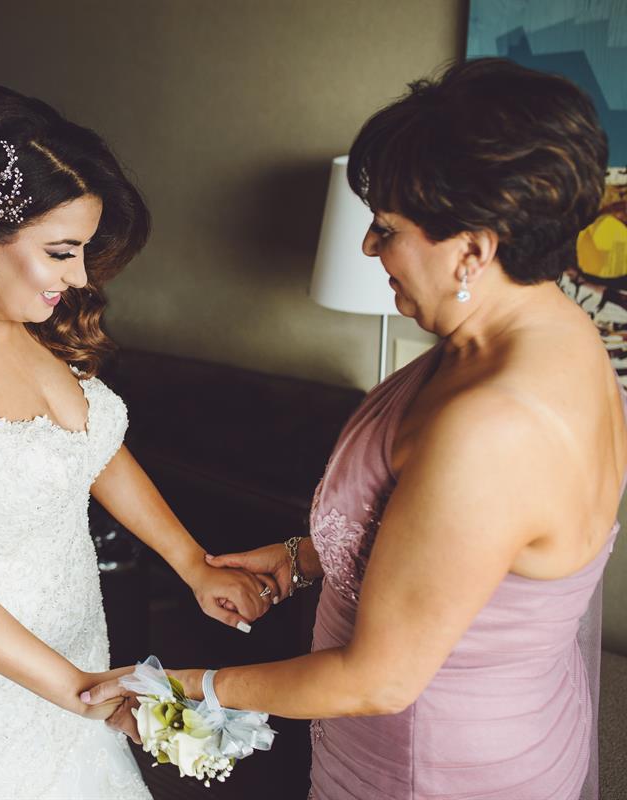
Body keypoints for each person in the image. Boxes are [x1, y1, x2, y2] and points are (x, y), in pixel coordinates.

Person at [85, 59, 621, 800]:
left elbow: (379, 680)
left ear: (473, 250)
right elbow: (465, 551)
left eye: (387, 229)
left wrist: (187, 687)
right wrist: (306, 557)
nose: (369, 248)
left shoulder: (495, 429)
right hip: (485, 724)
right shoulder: (555, 334)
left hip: (433, 767)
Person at [0, 85, 276, 800]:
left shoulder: (33, 329)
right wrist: (81, 691)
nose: (79, 278)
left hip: (78, 635)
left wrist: (192, 563)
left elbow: (92, 451)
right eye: (61, 252)